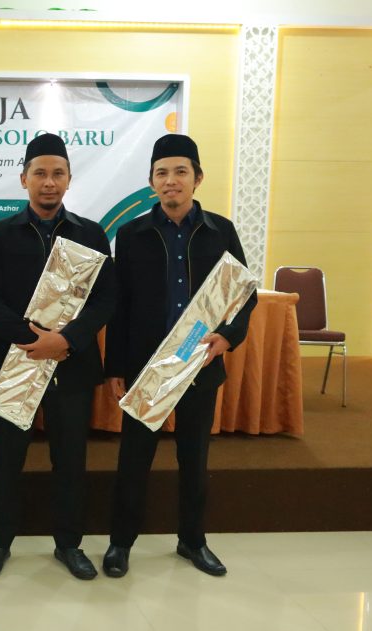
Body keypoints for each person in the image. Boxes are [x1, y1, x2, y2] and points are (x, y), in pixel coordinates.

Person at [103, 134, 257, 578]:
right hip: (146, 368)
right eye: (162, 173)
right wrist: (116, 367)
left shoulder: (220, 231)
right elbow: (121, 306)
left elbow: (244, 295)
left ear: (197, 178)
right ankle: (120, 543)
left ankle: (193, 540)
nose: (171, 181)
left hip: (200, 364)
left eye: (180, 172)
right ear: (152, 181)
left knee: (194, 460)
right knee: (134, 461)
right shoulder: (131, 235)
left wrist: (228, 337)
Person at [0, 133, 116, 580]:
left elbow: (106, 299)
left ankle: (69, 544)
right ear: (24, 179)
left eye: (57, 174)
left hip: (71, 367)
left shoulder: (90, 234)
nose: (48, 182)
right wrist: (34, 341)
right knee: (5, 462)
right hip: (14, 363)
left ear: (69, 179)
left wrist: (66, 340)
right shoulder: (1, 233)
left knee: (71, 462)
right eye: (40, 173)